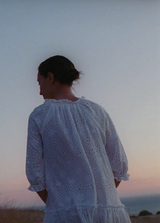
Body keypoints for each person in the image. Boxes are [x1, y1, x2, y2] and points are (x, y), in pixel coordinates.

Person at [26, 55, 130, 222]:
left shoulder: (39, 116)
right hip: (110, 214)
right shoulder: (97, 111)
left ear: (50, 77)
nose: (40, 91)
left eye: (40, 82)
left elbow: (35, 174)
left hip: (65, 215)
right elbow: (119, 164)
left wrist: (61, 206)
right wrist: (101, 198)